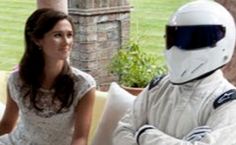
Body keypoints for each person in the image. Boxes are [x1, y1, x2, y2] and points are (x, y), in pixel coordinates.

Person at [113, 0, 236, 145]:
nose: (178, 48)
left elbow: (130, 133)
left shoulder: (227, 102)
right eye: (175, 38)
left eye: (192, 40)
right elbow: (121, 132)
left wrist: (145, 134)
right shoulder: (158, 87)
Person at [0, 8, 96, 145]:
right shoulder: (17, 80)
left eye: (69, 35)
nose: (66, 42)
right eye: (57, 35)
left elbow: (80, 138)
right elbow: (6, 125)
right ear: (37, 40)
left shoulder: (83, 85)